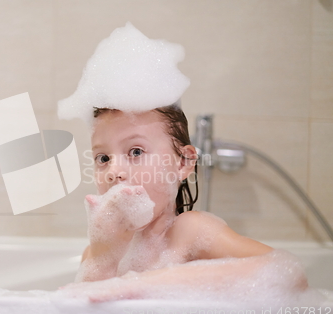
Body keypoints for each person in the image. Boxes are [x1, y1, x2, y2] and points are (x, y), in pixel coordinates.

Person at [59, 105, 308, 302]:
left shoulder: (188, 233)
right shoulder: (95, 254)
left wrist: (138, 285)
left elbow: (289, 275)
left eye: (135, 151)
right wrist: (103, 261)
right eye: (103, 158)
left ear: (183, 163)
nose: (114, 171)